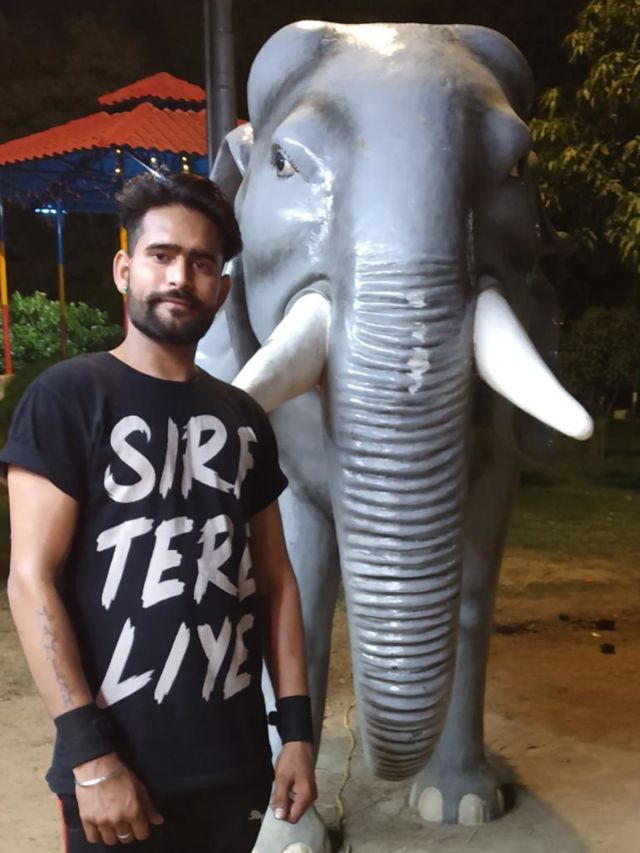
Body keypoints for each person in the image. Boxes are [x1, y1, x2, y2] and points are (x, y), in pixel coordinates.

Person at [1, 171, 316, 852]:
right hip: (118, 771)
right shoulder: (68, 398)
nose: (180, 276)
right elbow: (30, 580)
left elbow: (276, 582)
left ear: (221, 290)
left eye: (201, 263)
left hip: (236, 764)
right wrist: (91, 759)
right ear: (125, 270)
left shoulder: (244, 418)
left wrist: (296, 733)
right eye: (161, 255)